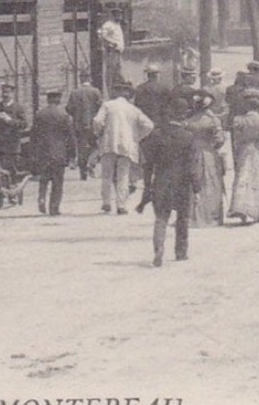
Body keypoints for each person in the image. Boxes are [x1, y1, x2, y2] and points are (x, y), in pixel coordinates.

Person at [139, 100, 197, 266]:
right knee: (183, 218)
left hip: (161, 181)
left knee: (161, 218)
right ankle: (181, 251)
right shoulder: (188, 137)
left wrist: (147, 185)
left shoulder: (156, 135)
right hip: (182, 183)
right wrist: (197, 187)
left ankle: (158, 249)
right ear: (183, 115)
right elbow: (192, 166)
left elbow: (148, 164)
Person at [92, 82, 154, 215]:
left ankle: (106, 203)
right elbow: (149, 125)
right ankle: (121, 205)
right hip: (126, 145)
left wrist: (99, 133)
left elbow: (97, 121)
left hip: (108, 144)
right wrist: (137, 137)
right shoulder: (133, 109)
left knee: (107, 175)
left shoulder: (107, 105)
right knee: (123, 175)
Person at [227, 93, 259, 225]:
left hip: (245, 151)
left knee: (243, 179)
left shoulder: (239, 120)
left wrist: (237, 154)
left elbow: (236, 140)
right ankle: (258, 212)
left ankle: (242, 210)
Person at [27, 90, 77, 216]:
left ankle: (42, 197)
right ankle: (54, 208)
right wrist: (73, 155)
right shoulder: (65, 116)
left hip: (42, 152)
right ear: (59, 100)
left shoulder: (39, 115)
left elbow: (33, 135)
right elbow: (71, 137)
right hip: (59, 153)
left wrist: (32, 153)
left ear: (48, 100)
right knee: (57, 181)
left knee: (43, 178)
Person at [185, 91, 227, 228]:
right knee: (210, 182)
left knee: (193, 180)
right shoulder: (213, 120)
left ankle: (192, 216)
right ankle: (211, 216)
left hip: (191, 152)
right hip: (208, 152)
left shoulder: (188, 120)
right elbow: (220, 139)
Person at [65, 76, 104, 179]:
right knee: (95, 146)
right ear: (90, 80)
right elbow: (101, 107)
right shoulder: (96, 92)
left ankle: (83, 173)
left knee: (81, 148)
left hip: (79, 125)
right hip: (93, 124)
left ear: (81, 80)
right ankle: (91, 163)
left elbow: (69, 108)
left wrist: (76, 115)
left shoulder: (74, 92)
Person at [0, 84, 29, 176]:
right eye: (3, 92)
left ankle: (13, 185)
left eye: (7, 92)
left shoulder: (18, 107)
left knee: (13, 168)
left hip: (12, 142)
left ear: (12, 93)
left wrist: (9, 120)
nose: (5, 95)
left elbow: (24, 124)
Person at [99, 9, 127, 87]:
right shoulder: (108, 25)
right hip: (112, 51)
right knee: (111, 72)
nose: (119, 17)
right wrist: (111, 43)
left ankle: (118, 88)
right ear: (113, 15)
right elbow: (102, 36)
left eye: (120, 15)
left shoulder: (117, 25)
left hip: (118, 52)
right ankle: (109, 90)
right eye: (117, 15)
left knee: (118, 72)